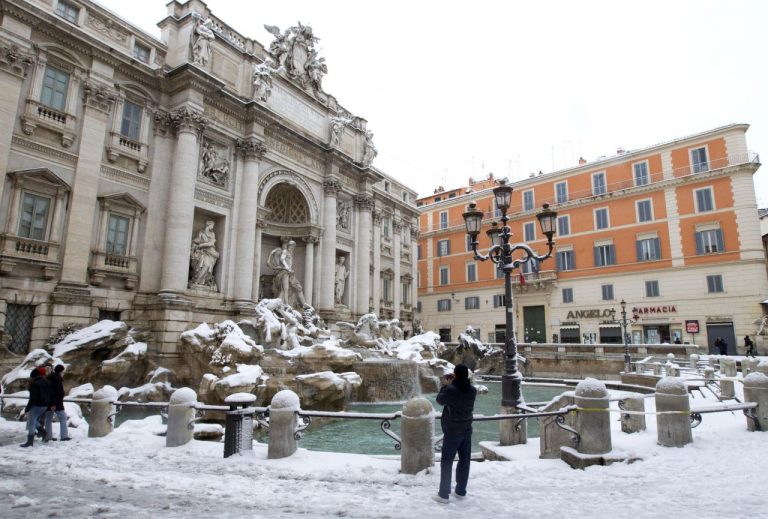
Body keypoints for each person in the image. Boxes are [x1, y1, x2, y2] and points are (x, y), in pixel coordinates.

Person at [433, 364, 477, 504]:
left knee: (446, 462)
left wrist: (446, 385)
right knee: (464, 460)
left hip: (452, 430)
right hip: (466, 428)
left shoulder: (451, 389)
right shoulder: (472, 390)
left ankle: (444, 494)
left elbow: (440, 400)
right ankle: (460, 491)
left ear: (455, 375)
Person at [20, 367, 53, 448]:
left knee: (31, 422)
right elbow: (52, 394)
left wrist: (27, 408)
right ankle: (43, 433)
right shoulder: (48, 382)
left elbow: (33, 398)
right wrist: (51, 404)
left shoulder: (35, 384)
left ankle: (30, 441)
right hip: (45, 405)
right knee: (34, 420)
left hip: (36, 405)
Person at [189, 221, 220, 288]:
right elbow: (195, 241)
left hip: (210, 252)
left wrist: (201, 245)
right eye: (212, 225)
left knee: (207, 265)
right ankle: (197, 281)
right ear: (208, 225)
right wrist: (195, 247)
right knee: (201, 266)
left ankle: (201, 281)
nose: (212, 227)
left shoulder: (212, 234)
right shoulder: (201, 232)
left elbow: (211, 243)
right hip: (202, 252)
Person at [45, 364, 71, 441]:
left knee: (48, 420)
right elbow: (57, 391)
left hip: (49, 402)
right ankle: (64, 436)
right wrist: (62, 394)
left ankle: (48, 436)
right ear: (61, 371)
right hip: (57, 402)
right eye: (63, 371)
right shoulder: (57, 379)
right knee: (63, 418)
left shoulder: (49, 378)